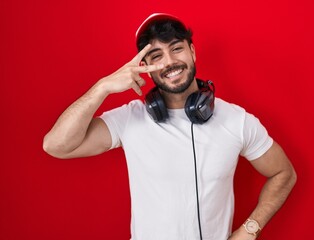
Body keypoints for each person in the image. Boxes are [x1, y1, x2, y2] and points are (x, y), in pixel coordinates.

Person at [43, 13, 297, 240]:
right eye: (157, 56)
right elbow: (56, 146)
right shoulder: (129, 118)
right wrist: (102, 87)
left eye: (176, 49)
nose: (170, 61)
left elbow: (284, 173)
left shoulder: (237, 120)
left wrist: (250, 229)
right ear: (145, 68)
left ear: (193, 52)